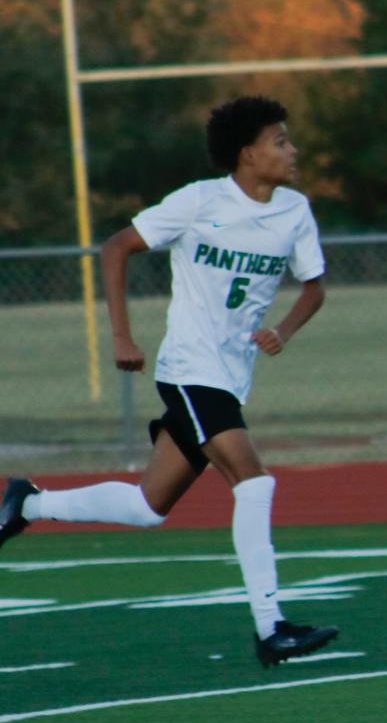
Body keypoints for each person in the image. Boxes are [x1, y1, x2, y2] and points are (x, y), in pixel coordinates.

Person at [0, 96, 339, 668]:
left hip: (230, 379)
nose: (291, 149)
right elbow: (116, 248)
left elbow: (315, 288)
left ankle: (29, 504)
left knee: (149, 506)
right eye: (280, 140)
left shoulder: (294, 211)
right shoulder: (199, 200)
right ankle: (271, 626)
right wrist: (122, 337)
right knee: (253, 483)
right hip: (190, 371)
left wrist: (284, 329)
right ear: (247, 152)